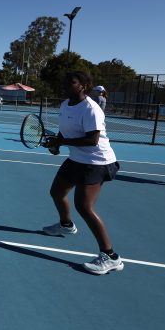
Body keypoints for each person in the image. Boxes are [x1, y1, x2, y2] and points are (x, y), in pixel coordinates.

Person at [43, 71, 122, 275]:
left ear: (83, 86)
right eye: (65, 82)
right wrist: (57, 144)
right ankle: (66, 225)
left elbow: (92, 140)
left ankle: (111, 256)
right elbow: (65, 130)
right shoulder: (65, 104)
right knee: (57, 192)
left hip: (97, 161)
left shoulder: (91, 109)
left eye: (72, 82)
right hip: (77, 158)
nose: (67, 85)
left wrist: (62, 142)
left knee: (84, 206)